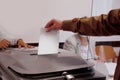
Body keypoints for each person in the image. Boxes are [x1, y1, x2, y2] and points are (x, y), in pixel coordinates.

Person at [44, 8, 120, 80]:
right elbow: (70, 61)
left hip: (91, 68)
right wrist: (64, 24)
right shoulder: (71, 41)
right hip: (79, 70)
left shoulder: (91, 40)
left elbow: (92, 55)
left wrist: (98, 58)